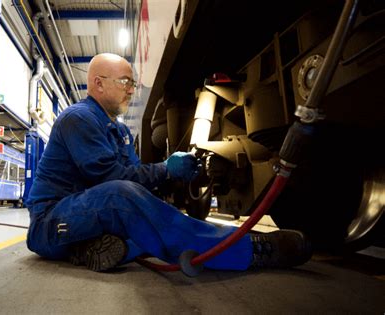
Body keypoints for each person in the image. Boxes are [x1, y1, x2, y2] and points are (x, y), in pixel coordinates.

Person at [26, 53, 312, 273]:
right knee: (122, 197)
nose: (131, 90)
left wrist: (172, 176)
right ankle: (248, 249)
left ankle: (86, 250)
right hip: (51, 223)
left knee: (151, 222)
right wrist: (165, 168)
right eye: (125, 82)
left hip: (86, 217)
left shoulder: (121, 131)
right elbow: (111, 179)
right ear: (98, 84)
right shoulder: (78, 119)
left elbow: (136, 178)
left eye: (133, 83)